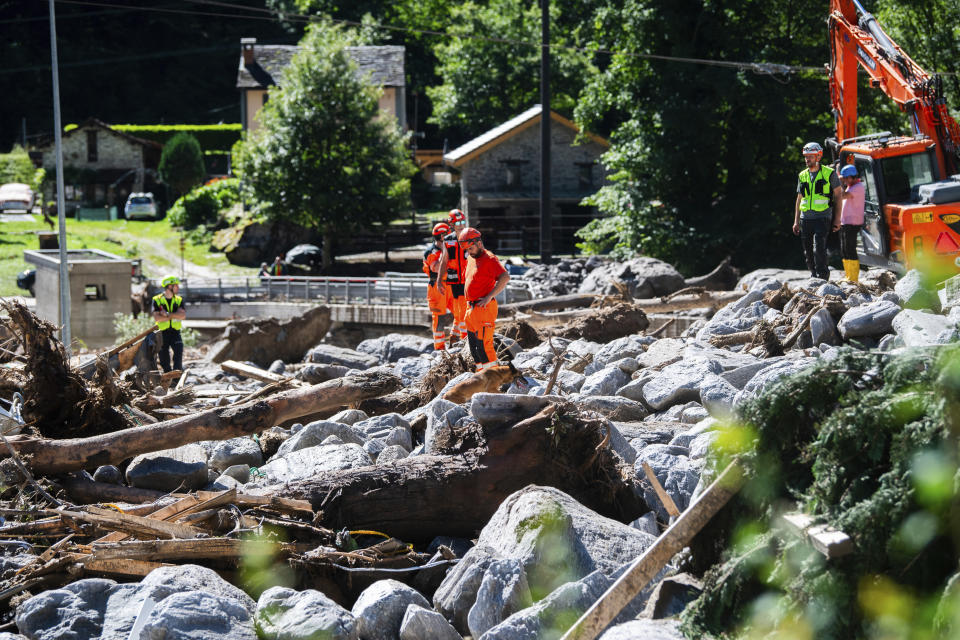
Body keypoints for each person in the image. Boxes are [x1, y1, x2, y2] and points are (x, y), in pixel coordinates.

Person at [459, 227, 510, 371]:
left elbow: (505, 277)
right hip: (471, 309)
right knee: (474, 349)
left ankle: (493, 379)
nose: (469, 252)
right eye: (467, 250)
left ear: (479, 242)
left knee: (484, 347)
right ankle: (481, 377)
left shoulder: (490, 259)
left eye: (471, 248)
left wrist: (489, 297)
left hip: (484, 308)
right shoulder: (471, 258)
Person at [793, 142, 841, 280]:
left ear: (818, 156)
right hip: (805, 219)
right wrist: (796, 221)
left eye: (810, 156)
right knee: (808, 252)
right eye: (806, 156)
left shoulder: (829, 173)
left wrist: (837, 219)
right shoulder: (802, 175)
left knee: (819, 248)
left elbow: (838, 195)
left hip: (823, 217)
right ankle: (813, 275)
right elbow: (799, 199)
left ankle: (823, 276)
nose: (807, 159)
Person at [424, 222, 453, 350]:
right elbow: (435, 268)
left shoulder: (449, 247)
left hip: (450, 285)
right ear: (442, 236)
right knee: (439, 317)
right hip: (436, 286)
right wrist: (445, 254)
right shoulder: (431, 252)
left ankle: (457, 339)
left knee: (460, 312)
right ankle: (439, 347)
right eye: (447, 233)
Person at [152, 274, 186, 372]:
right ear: (169, 286)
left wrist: (166, 315)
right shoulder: (157, 300)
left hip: (175, 332)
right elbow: (157, 318)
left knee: (178, 352)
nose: (178, 287)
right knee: (164, 357)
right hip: (162, 333)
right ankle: (167, 375)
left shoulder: (179, 300)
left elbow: (183, 316)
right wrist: (175, 314)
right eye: (176, 285)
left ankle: (176, 376)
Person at [838, 163, 865, 282]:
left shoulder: (858, 187)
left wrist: (839, 183)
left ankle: (853, 278)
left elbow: (842, 196)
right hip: (846, 222)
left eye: (845, 178)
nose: (845, 180)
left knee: (850, 248)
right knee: (844, 249)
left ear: (852, 177)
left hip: (853, 223)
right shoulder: (851, 186)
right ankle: (848, 275)